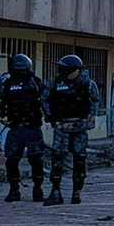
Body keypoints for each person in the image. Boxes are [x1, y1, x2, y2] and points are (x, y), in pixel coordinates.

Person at [41, 54, 100, 205]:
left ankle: (76, 193)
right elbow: (45, 99)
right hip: (61, 127)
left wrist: (90, 117)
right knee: (57, 159)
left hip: (79, 128)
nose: (62, 71)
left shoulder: (87, 84)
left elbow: (95, 101)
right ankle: (55, 192)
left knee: (79, 161)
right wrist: (50, 116)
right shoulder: (56, 83)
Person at [0, 53, 45, 202]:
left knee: (36, 160)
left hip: (32, 127)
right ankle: (14, 190)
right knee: (11, 160)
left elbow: (45, 101)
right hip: (16, 128)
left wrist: (45, 117)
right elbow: (0, 102)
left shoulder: (35, 82)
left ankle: (37, 189)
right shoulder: (8, 83)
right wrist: (5, 119)